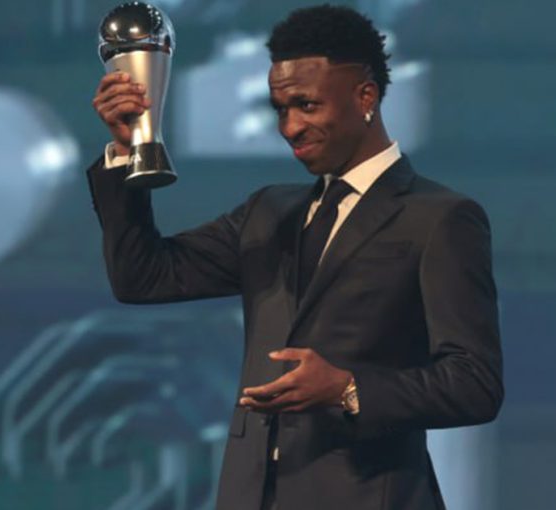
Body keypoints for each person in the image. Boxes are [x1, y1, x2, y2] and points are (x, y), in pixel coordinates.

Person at [86, 5, 503, 510]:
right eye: (280, 109)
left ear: (365, 96)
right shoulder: (269, 212)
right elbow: (143, 278)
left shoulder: (439, 218)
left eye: (306, 105)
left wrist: (348, 389)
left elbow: (474, 384)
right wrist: (129, 149)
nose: (290, 127)